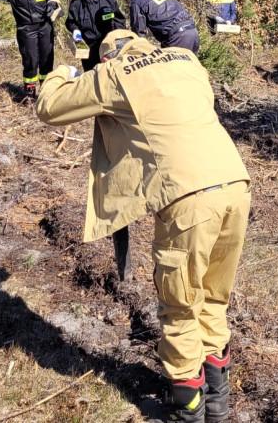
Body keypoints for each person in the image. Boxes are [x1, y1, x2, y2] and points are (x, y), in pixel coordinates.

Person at [36, 29, 250, 423]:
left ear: (106, 58)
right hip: (236, 184)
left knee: (180, 306)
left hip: (188, 198)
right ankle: (217, 404)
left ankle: (186, 409)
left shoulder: (113, 73)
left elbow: (49, 108)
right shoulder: (187, 61)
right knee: (213, 298)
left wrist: (61, 71)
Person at [65, 0, 126, 71]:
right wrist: (75, 30)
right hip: (88, 47)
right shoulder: (76, 2)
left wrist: (117, 37)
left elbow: (119, 20)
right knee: (91, 75)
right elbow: (71, 22)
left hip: (107, 45)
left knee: (109, 73)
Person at [125, 0, 199, 54]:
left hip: (177, 39)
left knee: (171, 66)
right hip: (193, 33)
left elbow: (138, 32)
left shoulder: (138, 1)